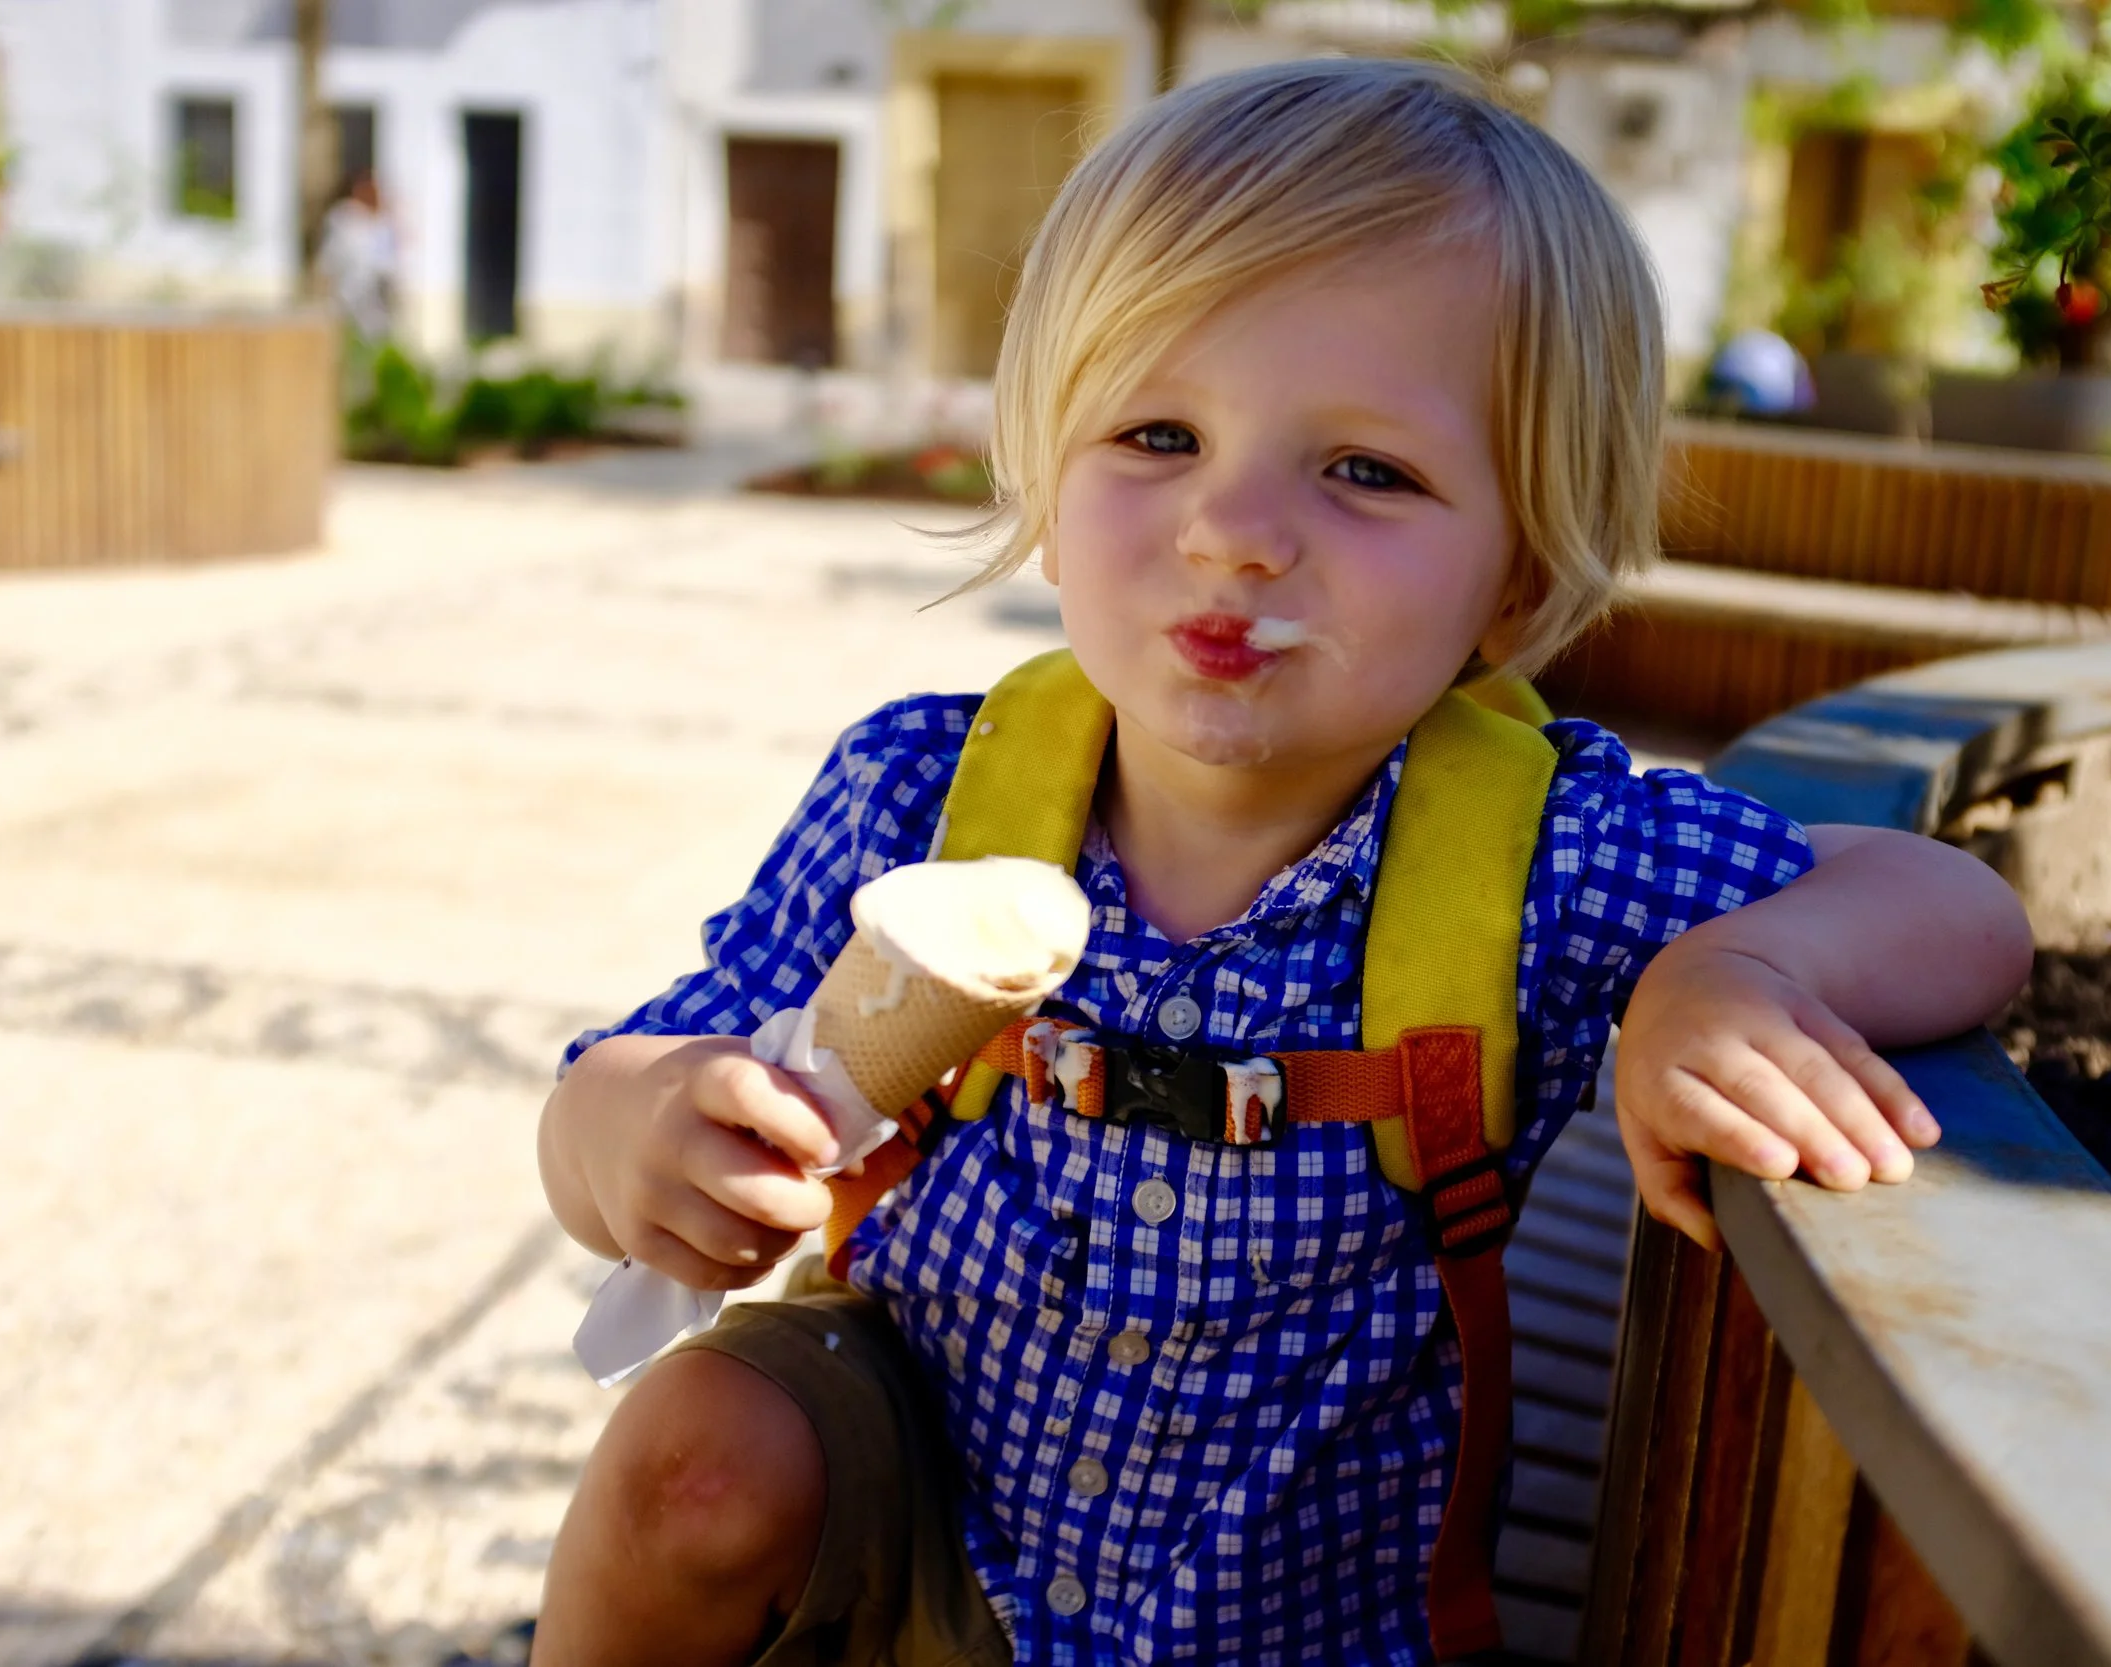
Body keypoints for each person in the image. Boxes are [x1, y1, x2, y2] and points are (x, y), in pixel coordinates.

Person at [530, 57, 2032, 1667]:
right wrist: (639, 1135)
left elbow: (1963, 906)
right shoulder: (923, 792)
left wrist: (1734, 971)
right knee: (695, 1449)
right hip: (927, 1520)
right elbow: (628, 1072)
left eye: (1367, 470)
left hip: (1290, 1598)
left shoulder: (1539, 853)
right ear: (1048, 478)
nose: (1233, 529)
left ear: (1517, 579)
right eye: (1158, 433)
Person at [318, 170, 397, 343]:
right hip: (350, 288)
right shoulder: (344, 217)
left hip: (374, 290)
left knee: (375, 333)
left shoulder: (380, 221)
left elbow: (387, 257)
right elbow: (332, 256)